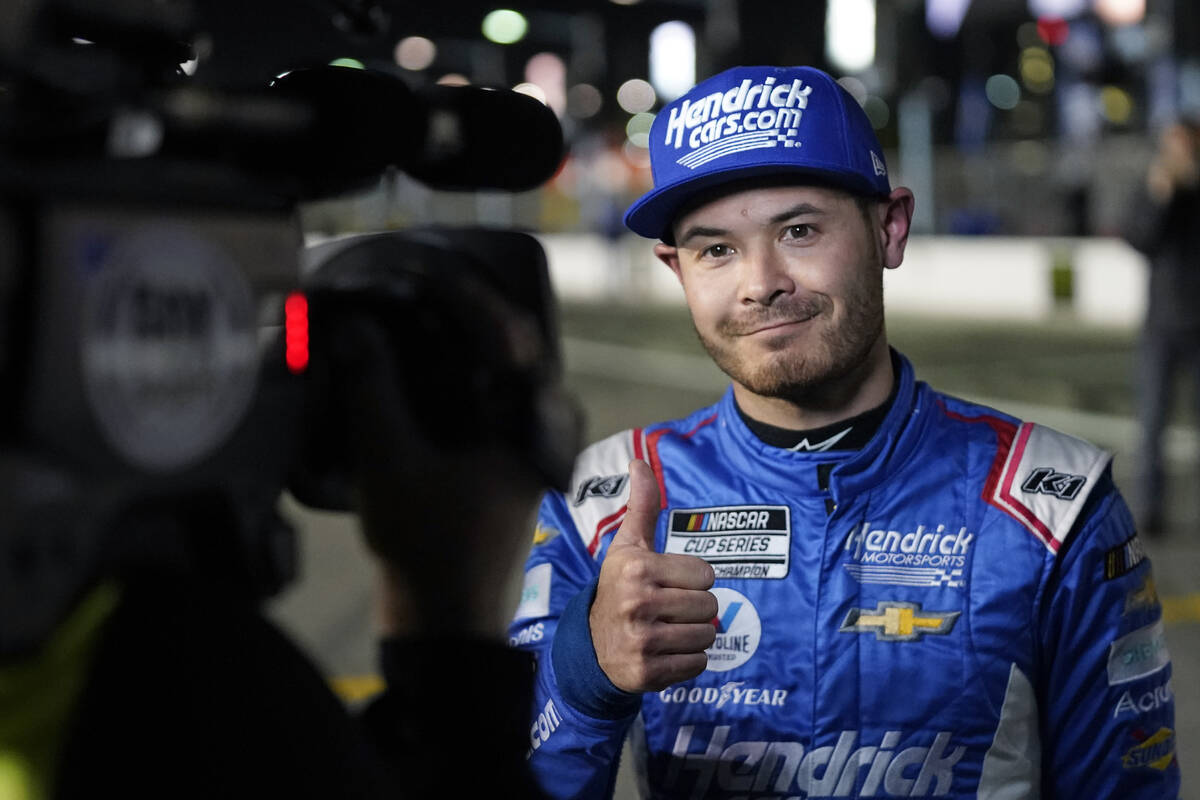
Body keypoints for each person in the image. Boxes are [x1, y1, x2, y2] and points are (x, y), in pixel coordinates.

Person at [509, 65, 1179, 798]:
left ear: (889, 227)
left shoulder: (1055, 507)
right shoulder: (596, 504)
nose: (760, 281)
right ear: (676, 268)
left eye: (798, 231)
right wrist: (585, 675)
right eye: (716, 250)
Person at [1123, 118, 1200, 536]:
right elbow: (1139, 238)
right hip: (1161, 328)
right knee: (1152, 426)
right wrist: (1160, 197)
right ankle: (1151, 513)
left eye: (1185, 146)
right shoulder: (1156, 187)